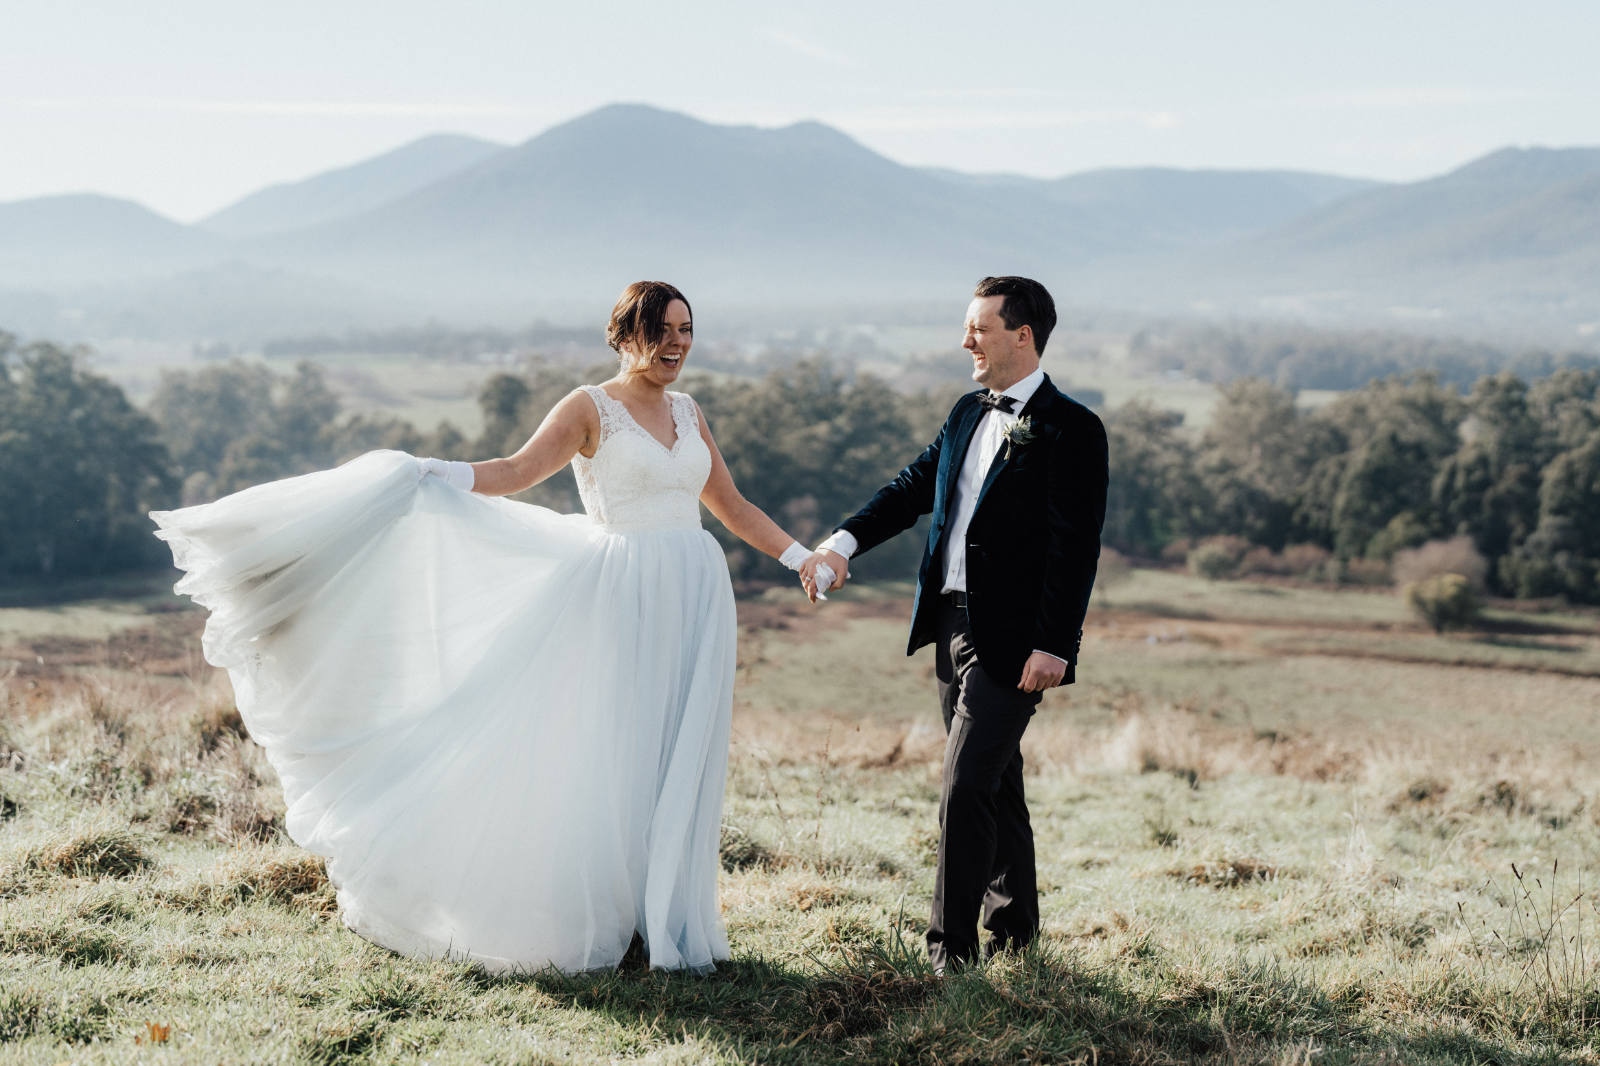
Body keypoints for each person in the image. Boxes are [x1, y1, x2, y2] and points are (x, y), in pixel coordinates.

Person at [152, 281, 819, 974]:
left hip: (695, 595)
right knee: (621, 752)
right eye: (663, 330)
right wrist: (434, 474)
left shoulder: (689, 411)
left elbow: (732, 504)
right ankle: (614, 922)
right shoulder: (590, 407)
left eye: (687, 329)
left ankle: (664, 922)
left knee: (680, 752)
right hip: (623, 594)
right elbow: (518, 470)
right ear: (625, 335)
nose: (678, 343)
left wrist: (804, 558)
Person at [800, 276, 1107, 974]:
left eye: (979, 328)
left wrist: (1055, 645)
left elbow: (1075, 547)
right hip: (952, 627)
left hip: (1016, 640)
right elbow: (911, 488)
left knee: (965, 784)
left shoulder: (1073, 429)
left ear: (1021, 335)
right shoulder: (968, 411)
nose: (965, 340)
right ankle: (1017, 934)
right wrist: (840, 544)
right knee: (996, 783)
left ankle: (950, 954)